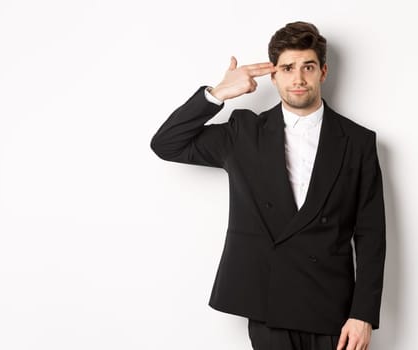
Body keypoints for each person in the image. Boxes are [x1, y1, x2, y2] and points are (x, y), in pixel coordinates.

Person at [149, 21, 385, 350]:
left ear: (323, 72)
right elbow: (166, 144)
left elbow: (371, 233)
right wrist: (217, 94)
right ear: (274, 75)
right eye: (288, 68)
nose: (298, 78)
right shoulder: (243, 133)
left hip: (333, 308)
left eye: (308, 67)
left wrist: (363, 314)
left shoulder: (358, 141)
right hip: (269, 305)